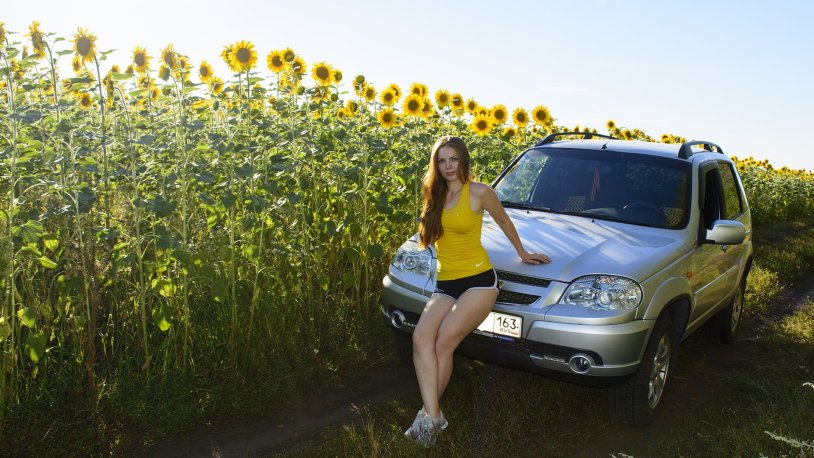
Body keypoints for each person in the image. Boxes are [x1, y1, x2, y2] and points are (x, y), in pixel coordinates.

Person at [404, 135, 551, 446]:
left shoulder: (480, 192)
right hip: (446, 283)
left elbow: (504, 220)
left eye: (453, 159)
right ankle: (433, 414)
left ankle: (428, 417)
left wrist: (522, 253)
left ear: (463, 160)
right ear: (436, 164)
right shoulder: (434, 192)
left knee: (444, 343)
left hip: (479, 281)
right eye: (441, 160)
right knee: (420, 339)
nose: (447, 166)